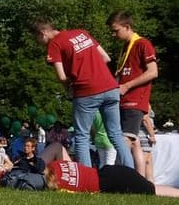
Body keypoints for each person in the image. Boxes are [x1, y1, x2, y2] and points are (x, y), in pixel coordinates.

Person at [31, 18, 132, 170]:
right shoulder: (82, 33)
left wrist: (68, 88)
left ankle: (87, 179)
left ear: (43, 33)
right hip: (111, 87)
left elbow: (61, 76)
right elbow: (106, 58)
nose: (39, 43)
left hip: (86, 91)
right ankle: (132, 175)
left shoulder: (54, 44)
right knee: (116, 135)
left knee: (82, 137)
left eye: (37, 39)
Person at [108, 12, 158, 179]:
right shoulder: (125, 48)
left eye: (116, 30)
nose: (113, 35)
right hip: (123, 100)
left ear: (127, 27)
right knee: (134, 141)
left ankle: (115, 177)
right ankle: (141, 179)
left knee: (125, 141)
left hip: (134, 101)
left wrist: (127, 85)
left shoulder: (143, 44)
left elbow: (153, 72)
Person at [45, 157, 179, 199]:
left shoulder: (60, 188)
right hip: (111, 171)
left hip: (113, 183)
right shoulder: (57, 164)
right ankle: (148, 164)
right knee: (156, 186)